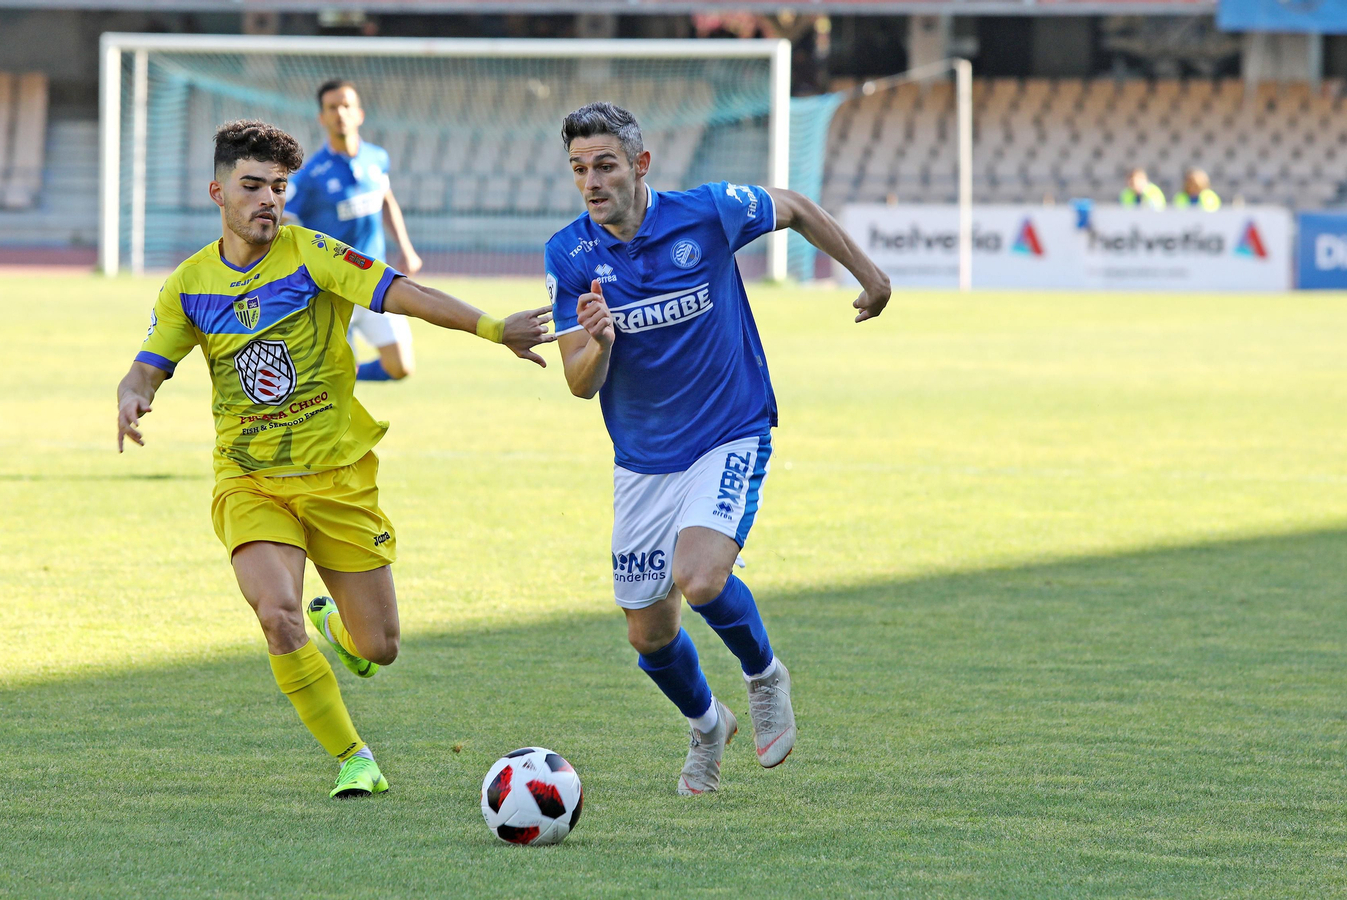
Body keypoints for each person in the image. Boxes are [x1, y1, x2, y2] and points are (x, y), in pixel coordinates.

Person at [115, 120, 553, 800]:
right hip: (251, 481)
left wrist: (493, 328)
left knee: (379, 647)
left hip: (339, 481)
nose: (268, 199)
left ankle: (339, 627)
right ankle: (355, 758)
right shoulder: (187, 285)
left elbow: (404, 292)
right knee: (276, 614)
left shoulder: (311, 254)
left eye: (278, 188)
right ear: (218, 191)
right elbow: (149, 365)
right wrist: (131, 397)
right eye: (252, 186)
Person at [545, 103, 892, 795]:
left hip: (728, 429)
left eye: (606, 165)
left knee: (700, 577)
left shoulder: (706, 213)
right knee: (648, 634)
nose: (592, 181)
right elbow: (580, 384)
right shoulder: (569, 255)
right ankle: (707, 725)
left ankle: (765, 677)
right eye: (580, 169)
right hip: (642, 460)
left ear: (641, 166)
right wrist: (601, 343)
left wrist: (870, 275)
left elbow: (792, 206)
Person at [284, 79, 422, 382]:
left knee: (401, 367)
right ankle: (342, 377)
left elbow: (386, 201)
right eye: (332, 107)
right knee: (334, 381)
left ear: (359, 113)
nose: (340, 113)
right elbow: (284, 221)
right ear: (322, 118)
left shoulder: (377, 158)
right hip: (333, 290)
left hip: (376, 280)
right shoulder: (310, 175)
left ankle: (352, 374)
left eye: (346, 106)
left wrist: (406, 248)